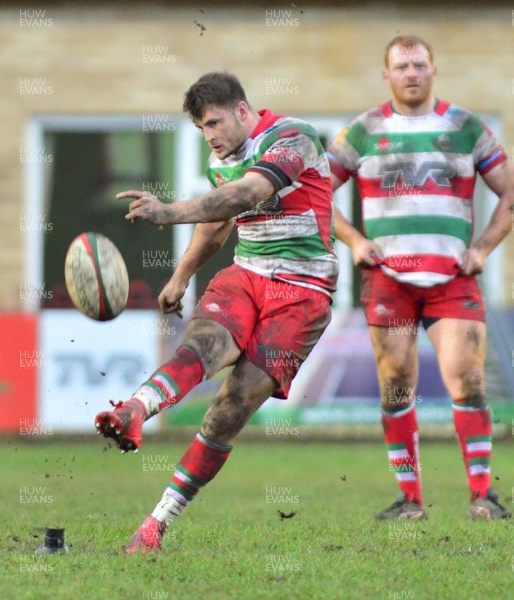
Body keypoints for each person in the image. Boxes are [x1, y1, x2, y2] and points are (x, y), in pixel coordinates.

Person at [95, 72, 339, 551]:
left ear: (243, 111)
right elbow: (217, 223)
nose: (209, 136)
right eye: (201, 128)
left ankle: (156, 523)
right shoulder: (220, 160)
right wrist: (181, 275)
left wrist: (166, 212)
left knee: (230, 409)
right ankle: (133, 410)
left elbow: (247, 195)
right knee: (202, 347)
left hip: (303, 293)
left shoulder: (294, 138)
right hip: (246, 276)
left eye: (214, 122)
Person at [327, 35, 513, 520]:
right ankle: (410, 500)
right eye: (401, 66)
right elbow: (313, 192)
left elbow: (509, 191)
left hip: (453, 277)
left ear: (434, 70)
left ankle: (482, 496)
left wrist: (484, 248)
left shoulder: (467, 128)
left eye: (419, 65)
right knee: (396, 384)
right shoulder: (362, 131)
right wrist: (353, 241)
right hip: (388, 279)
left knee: (468, 379)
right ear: (385, 75)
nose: (411, 73)